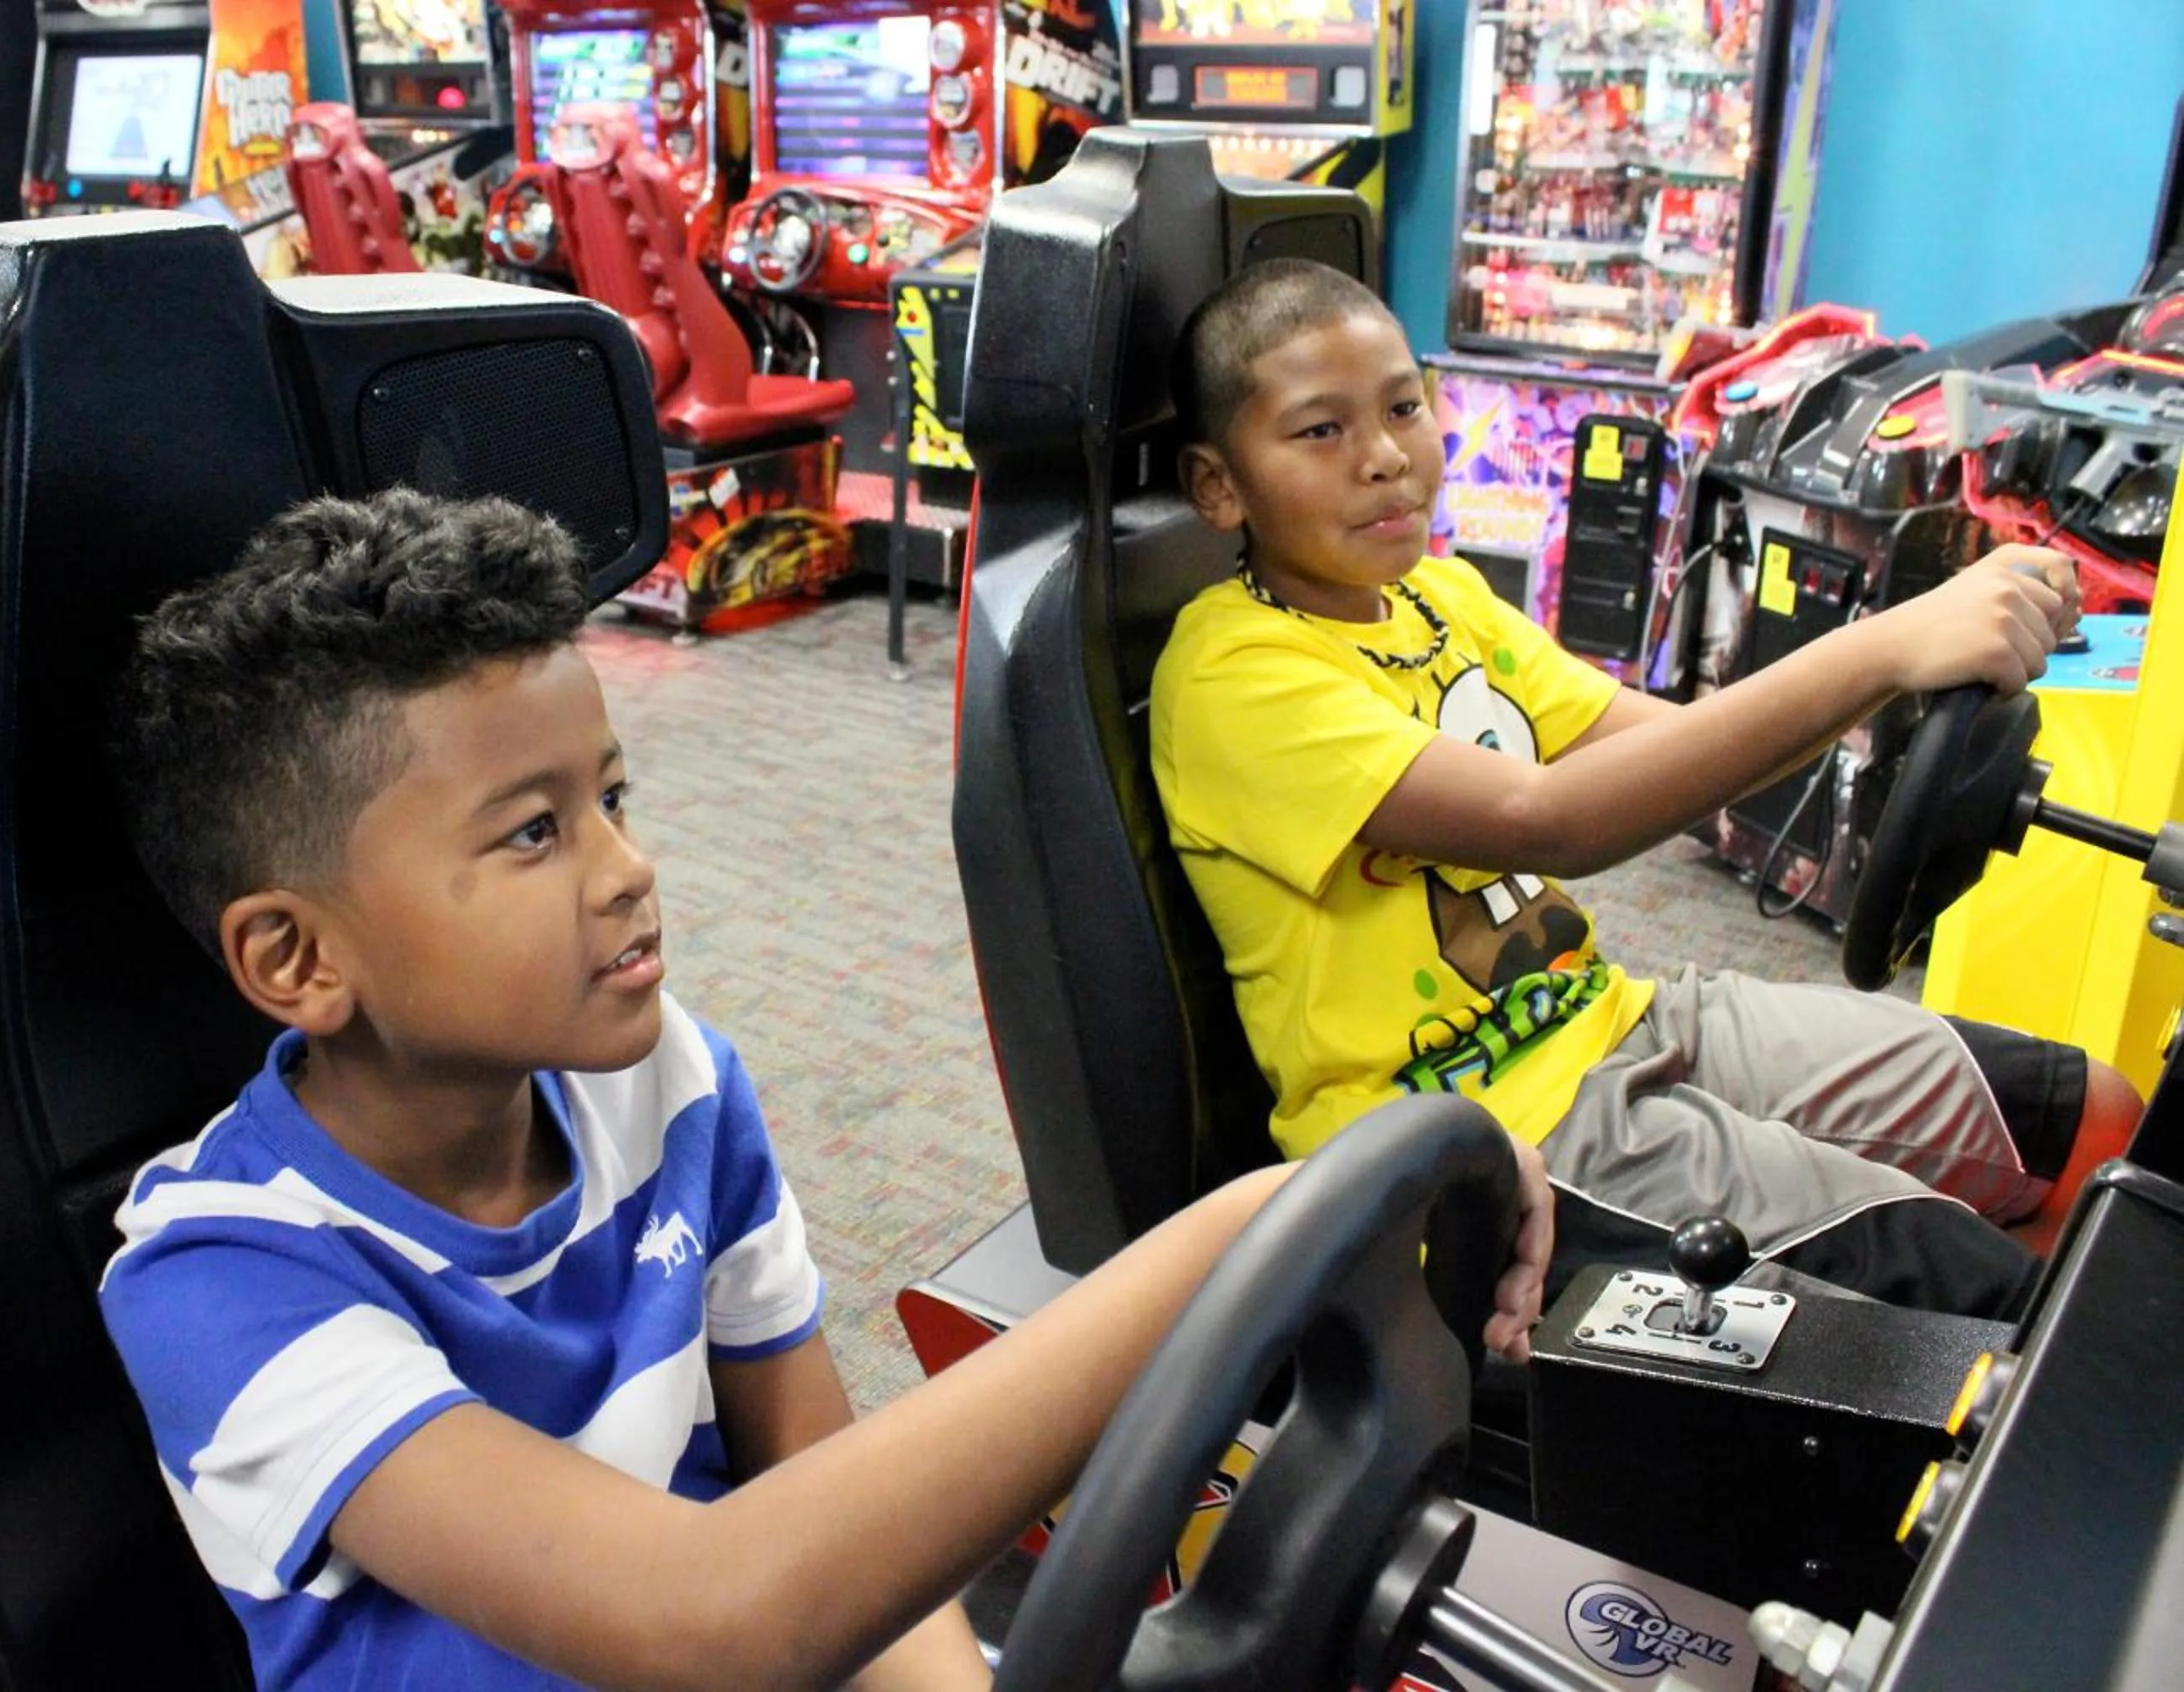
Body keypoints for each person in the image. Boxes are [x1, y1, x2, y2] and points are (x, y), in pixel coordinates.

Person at [96, 489, 1553, 1691]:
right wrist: (1248, 1224)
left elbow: (807, 1458)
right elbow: (709, 1615)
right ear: (296, 959)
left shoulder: (670, 1081)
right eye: (534, 834)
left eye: (612, 799)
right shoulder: (223, 1279)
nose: (628, 869)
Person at [1150, 258, 2141, 1322]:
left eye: (1403, 406)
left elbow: (1670, 749)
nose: (1387, 457)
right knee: (2006, 1306)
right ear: (1218, 483)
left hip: (1623, 1014)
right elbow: (1554, 821)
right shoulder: (1232, 675)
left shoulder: (1440, 598)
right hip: (1485, 1131)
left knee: (2092, 1114)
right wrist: (1884, 647)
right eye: (1321, 431)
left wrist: (1900, 707)